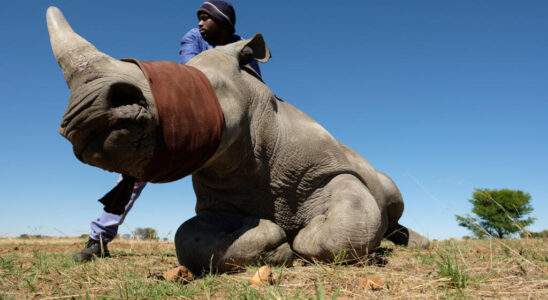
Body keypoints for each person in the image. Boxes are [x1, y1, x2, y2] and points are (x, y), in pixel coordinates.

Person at [73, 0, 261, 262]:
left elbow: (256, 90)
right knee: (135, 170)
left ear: (224, 22)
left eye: (207, 17)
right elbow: (194, 71)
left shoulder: (243, 44)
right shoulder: (193, 37)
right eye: (200, 17)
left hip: (233, 124)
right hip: (195, 112)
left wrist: (248, 63)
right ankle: (98, 239)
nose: (200, 23)